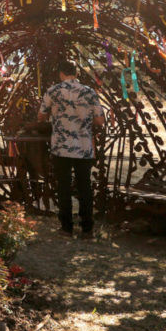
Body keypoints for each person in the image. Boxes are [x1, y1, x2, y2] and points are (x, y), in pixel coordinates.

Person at [38, 59, 104, 239]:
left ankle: (66, 228)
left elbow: (41, 116)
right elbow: (99, 120)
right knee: (85, 187)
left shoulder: (53, 91)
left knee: (64, 187)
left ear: (61, 73)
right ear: (76, 73)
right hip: (83, 147)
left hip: (61, 148)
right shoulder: (89, 92)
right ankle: (87, 228)